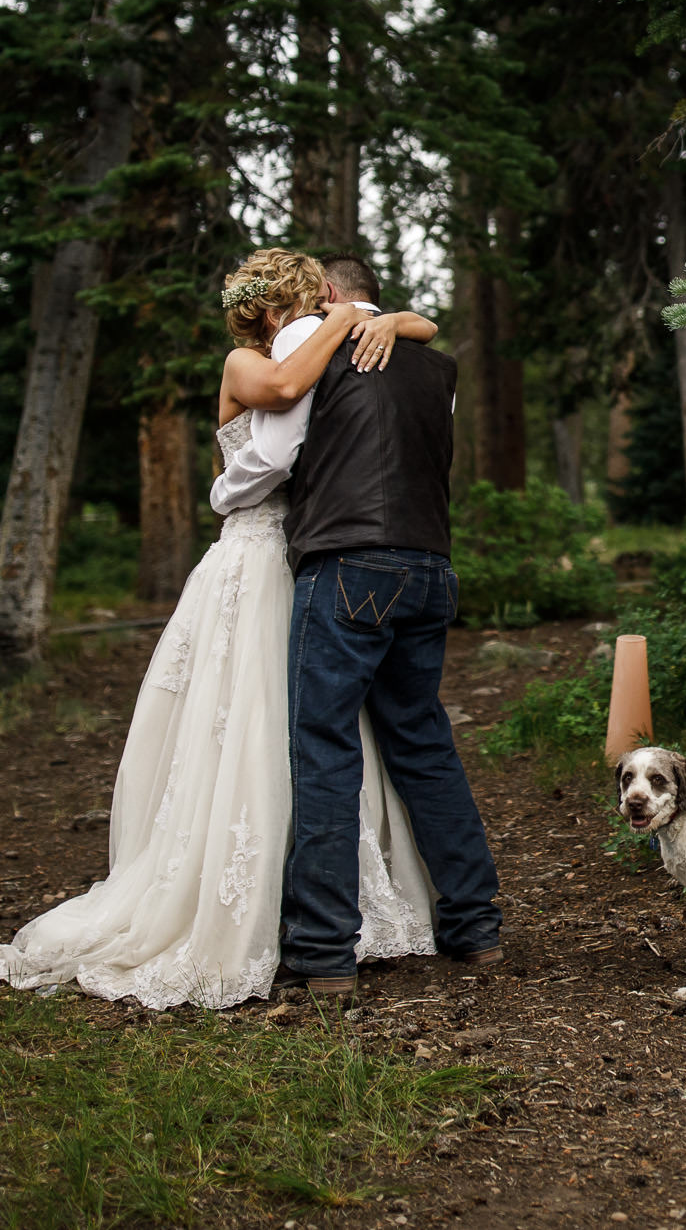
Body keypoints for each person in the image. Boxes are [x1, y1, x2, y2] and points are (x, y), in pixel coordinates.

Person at [0, 249, 440, 1010]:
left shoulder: (328, 346)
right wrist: (349, 317)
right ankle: (242, 908)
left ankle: (325, 907)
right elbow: (287, 390)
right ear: (264, 311)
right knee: (243, 722)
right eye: (293, 303)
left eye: (315, 301)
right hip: (250, 559)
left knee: (313, 726)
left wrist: (379, 318)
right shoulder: (247, 362)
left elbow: (411, 342)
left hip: (309, 557)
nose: (306, 311)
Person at [212, 250, 501, 998]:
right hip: (431, 568)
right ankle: (475, 927)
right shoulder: (435, 368)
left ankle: (323, 951)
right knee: (425, 745)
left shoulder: (314, 350)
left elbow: (283, 449)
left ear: (331, 296)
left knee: (325, 751)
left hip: (347, 565)